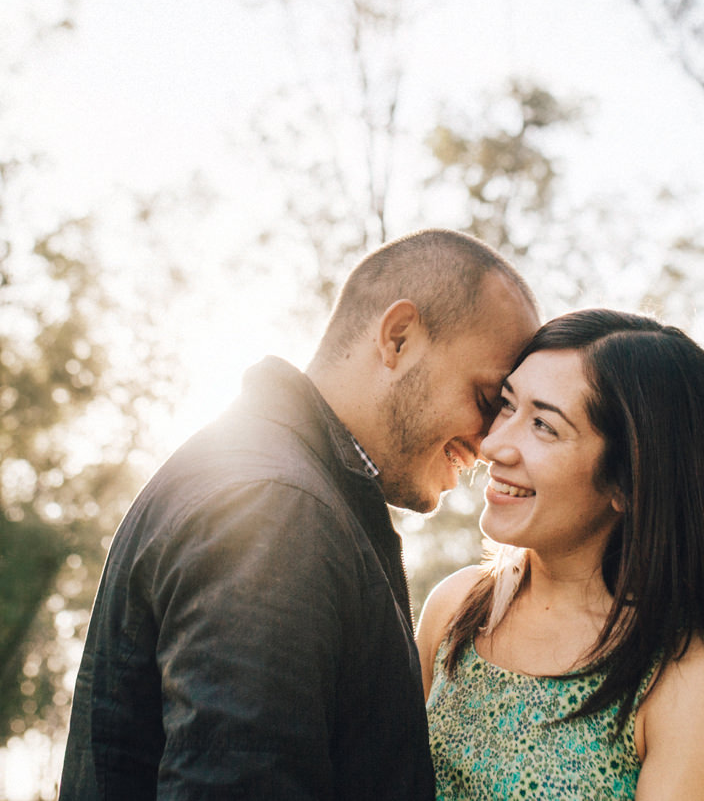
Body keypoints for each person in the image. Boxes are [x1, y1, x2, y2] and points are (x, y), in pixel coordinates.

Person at [60, 229, 539, 801]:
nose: (489, 445)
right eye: (489, 401)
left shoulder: (271, 478)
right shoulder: (276, 508)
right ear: (399, 337)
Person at [416, 309, 704, 801]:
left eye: (544, 425)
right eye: (507, 404)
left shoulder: (697, 681)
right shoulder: (454, 610)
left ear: (628, 482)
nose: (495, 444)